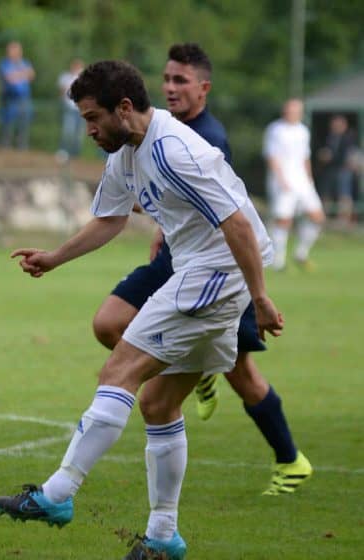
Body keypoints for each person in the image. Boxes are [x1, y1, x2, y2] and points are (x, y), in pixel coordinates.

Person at [0, 60, 283, 560]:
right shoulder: (126, 153)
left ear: (124, 108)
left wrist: (258, 297)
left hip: (214, 272)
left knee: (118, 370)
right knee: (159, 405)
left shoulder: (173, 151)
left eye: (93, 117)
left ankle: (56, 496)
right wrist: (54, 258)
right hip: (204, 272)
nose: (89, 130)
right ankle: (164, 538)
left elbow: (237, 223)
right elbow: (110, 219)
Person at [91, 43, 312, 499]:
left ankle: (291, 460)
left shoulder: (205, 138)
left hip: (220, 264)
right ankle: (188, 363)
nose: (170, 88)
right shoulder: (154, 129)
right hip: (175, 255)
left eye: (181, 81)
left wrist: (261, 293)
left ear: (204, 88)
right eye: (167, 79)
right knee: (108, 322)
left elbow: (227, 215)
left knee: (242, 374)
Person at [264, 99, 324, 271]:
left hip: (303, 181)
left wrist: (309, 179)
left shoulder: (303, 131)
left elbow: (305, 157)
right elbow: (272, 156)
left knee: (317, 217)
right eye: (289, 110)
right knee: (284, 220)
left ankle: (301, 253)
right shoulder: (276, 129)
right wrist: (281, 179)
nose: (291, 113)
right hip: (283, 181)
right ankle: (278, 261)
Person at [317, 114, 357, 227]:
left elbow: (347, 156)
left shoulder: (349, 138)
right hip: (329, 170)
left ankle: (343, 221)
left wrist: (331, 157)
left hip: (343, 169)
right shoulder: (327, 137)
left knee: (344, 195)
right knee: (325, 194)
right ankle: (324, 220)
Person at [0, 41, 35, 150]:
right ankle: (5, 145)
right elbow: (9, 79)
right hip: (9, 98)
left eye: (15, 50)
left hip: (24, 98)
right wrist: (23, 74)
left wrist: (17, 74)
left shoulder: (25, 62)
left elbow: (31, 75)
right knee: (8, 123)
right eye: (10, 50)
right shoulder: (4, 63)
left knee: (24, 122)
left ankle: (21, 146)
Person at [57, 57, 84, 159]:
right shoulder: (65, 77)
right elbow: (62, 92)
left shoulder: (83, 79)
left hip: (80, 110)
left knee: (78, 134)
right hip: (69, 108)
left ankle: (75, 154)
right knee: (67, 131)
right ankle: (63, 151)